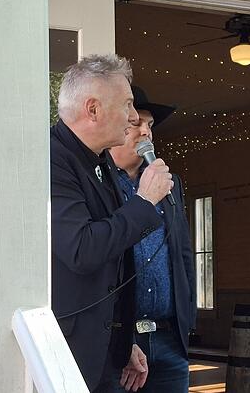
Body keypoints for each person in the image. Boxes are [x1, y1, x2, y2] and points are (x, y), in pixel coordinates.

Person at [50, 54, 174, 392]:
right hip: (66, 352)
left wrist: (123, 339)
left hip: (105, 351)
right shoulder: (51, 158)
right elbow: (82, 249)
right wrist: (144, 201)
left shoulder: (99, 159)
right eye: (128, 105)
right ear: (93, 109)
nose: (134, 117)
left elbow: (114, 262)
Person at [107, 86, 195, 392]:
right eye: (136, 123)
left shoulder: (169, 182)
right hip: (119, 343)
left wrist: (186, 322)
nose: (146, 132)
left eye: (150, 125)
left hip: (169, 338)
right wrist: (119, 337)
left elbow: (182, 251)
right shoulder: (98, 183)